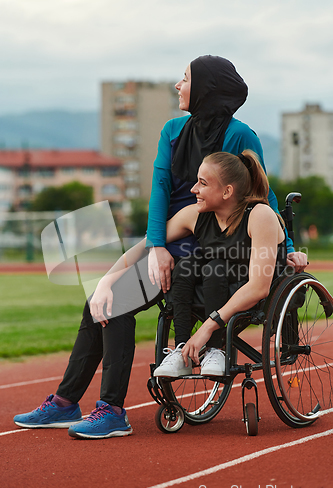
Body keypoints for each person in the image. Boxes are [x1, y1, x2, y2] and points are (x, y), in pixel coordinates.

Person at [13, 55, 307, 440]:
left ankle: (110, 411)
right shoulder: (171, 130)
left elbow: (258, 196)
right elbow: (160, 192)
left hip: (214, 246)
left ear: (206, 89)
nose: (177, 85)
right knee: (101, 301)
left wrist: (285, 246)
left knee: (114, 303)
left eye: (184, 79)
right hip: (172, 237)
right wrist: (155, 247)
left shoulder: (241, 136)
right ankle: (68, 403)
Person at [153, 149, 287, 378]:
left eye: (202, 183)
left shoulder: (260, 215)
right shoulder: (195, 215)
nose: (193, 189)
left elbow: (259, 287)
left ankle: (216, 349)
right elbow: (154, 236)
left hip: (248, 287)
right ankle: (181, 349)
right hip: (215, 279)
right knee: (186, 266)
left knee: (215, 268)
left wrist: (207, 328)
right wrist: (110, 279)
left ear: (227, 191)